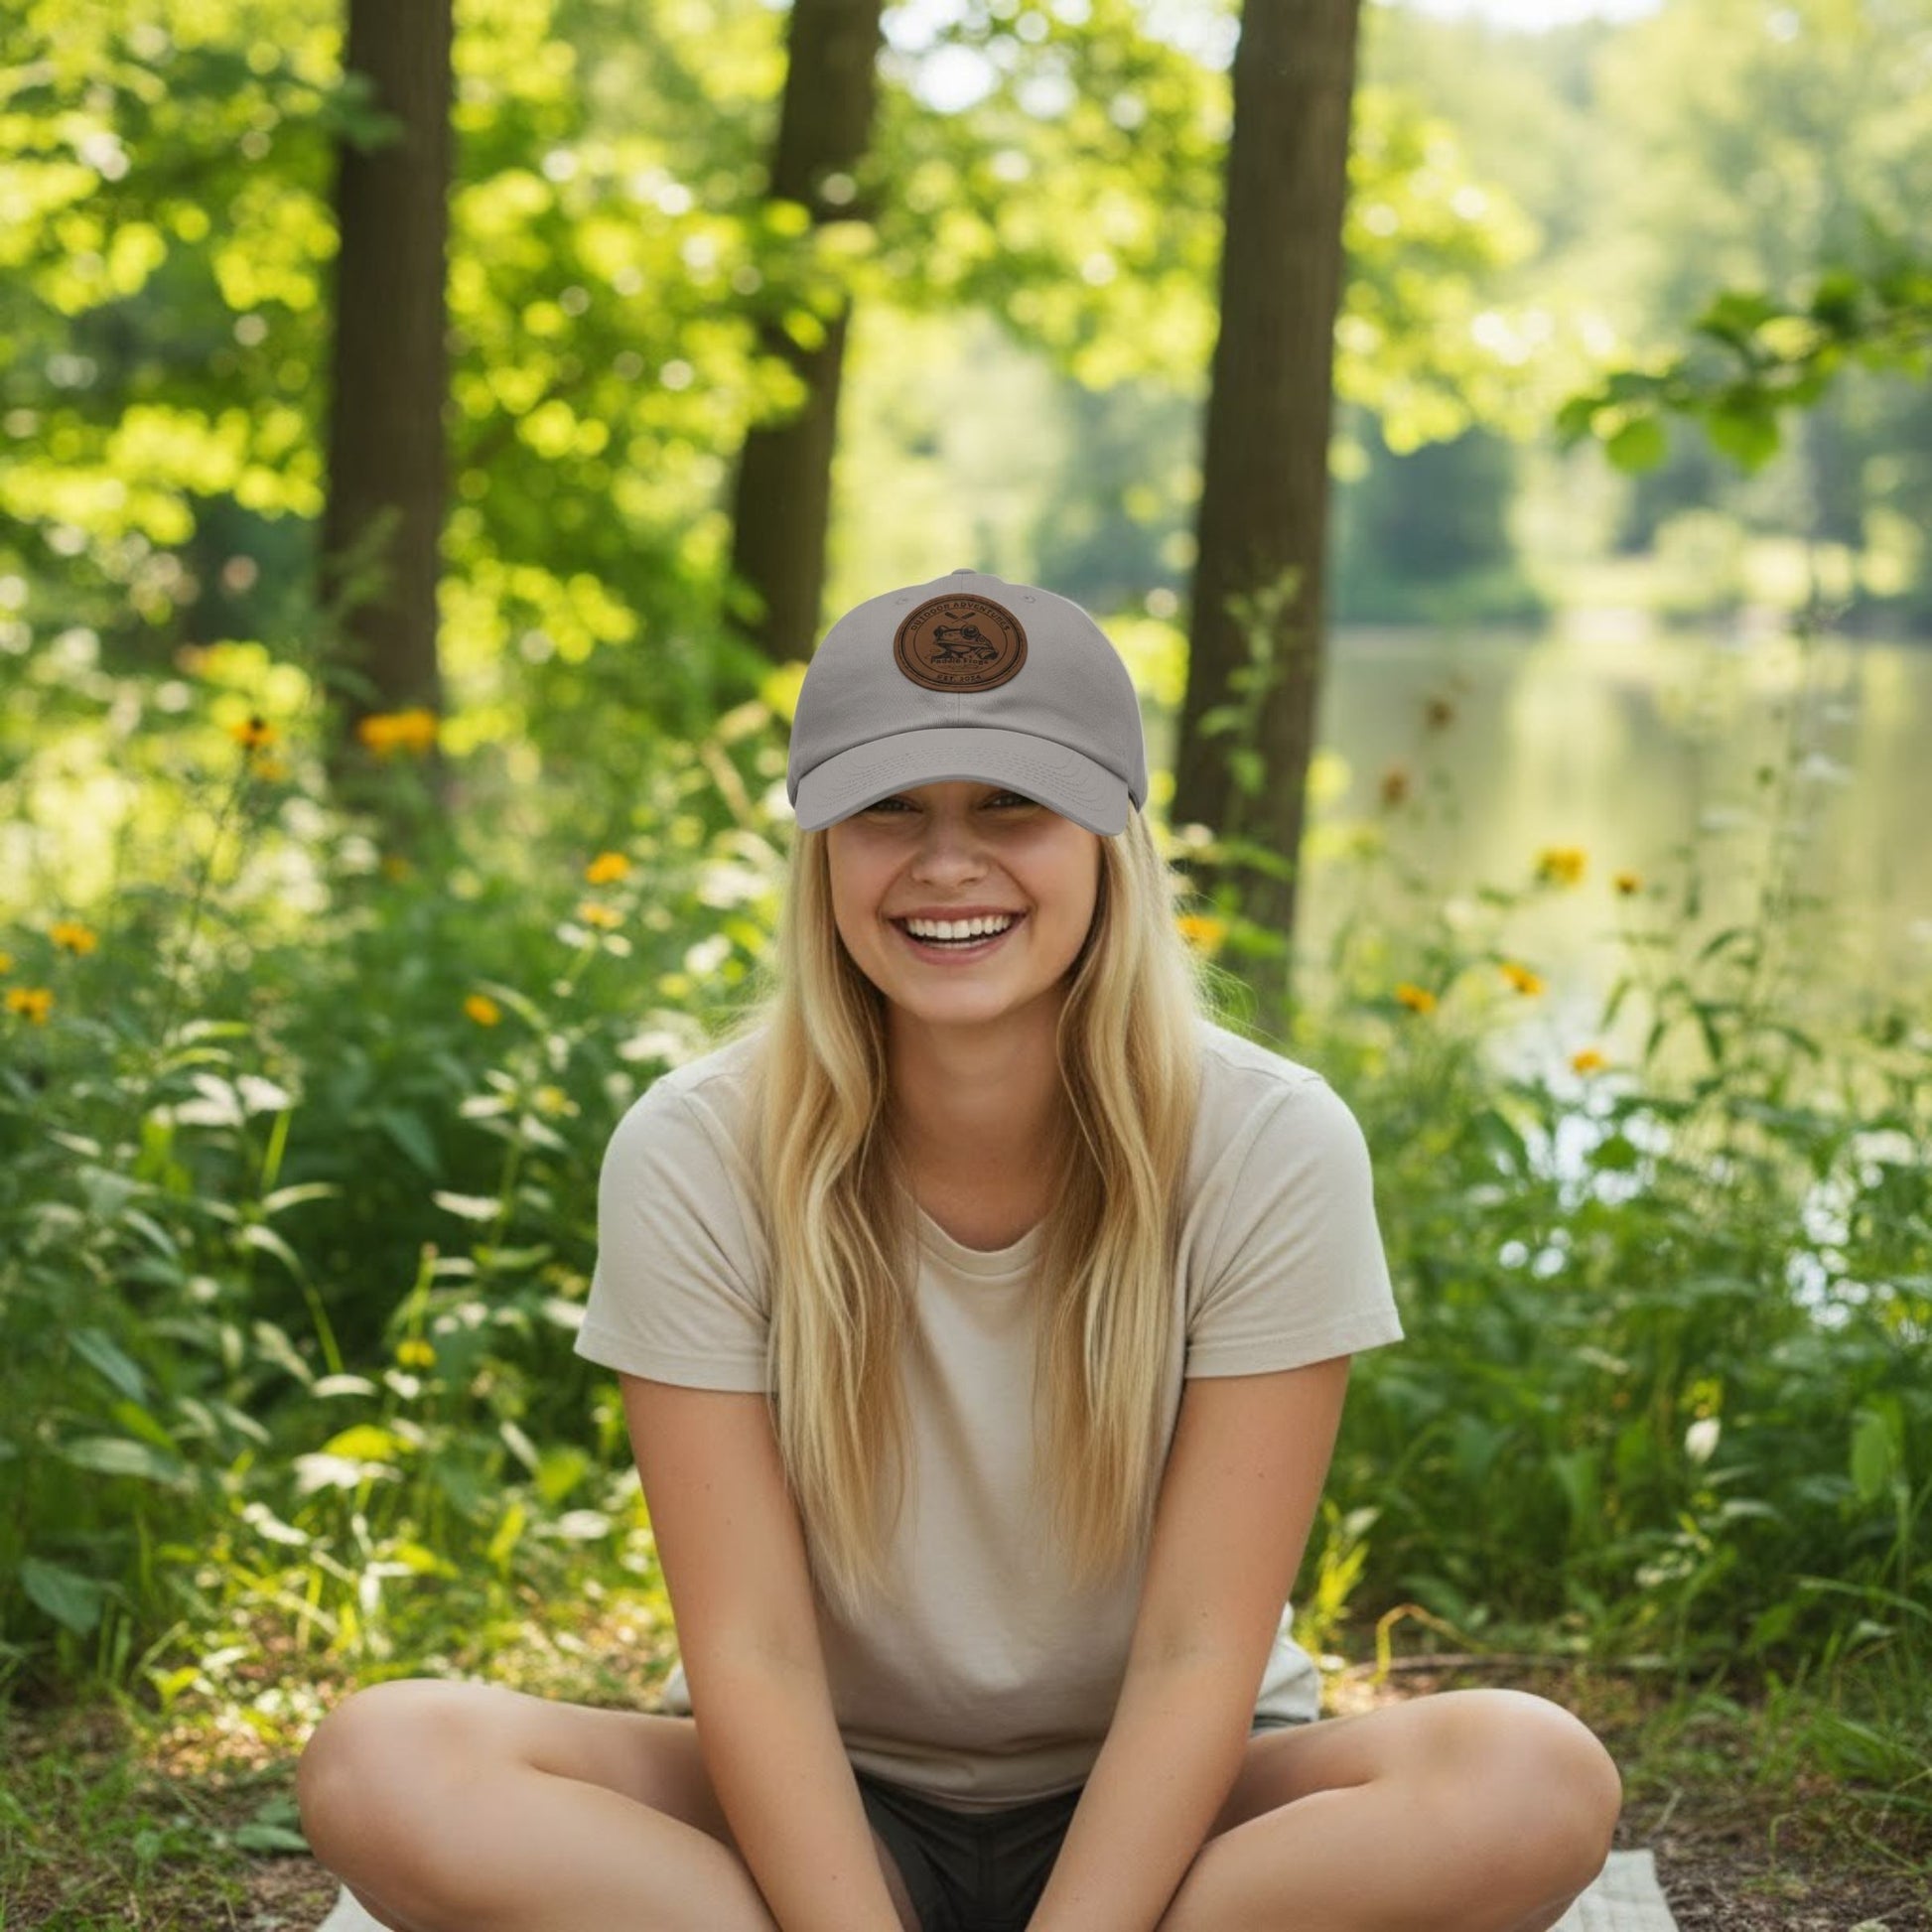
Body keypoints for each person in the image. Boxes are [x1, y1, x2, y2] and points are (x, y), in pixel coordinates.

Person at [296, 569, 1623, 1932]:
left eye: (1009, 804)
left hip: (1183, 1808)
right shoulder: (696, 1147)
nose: (944, 863)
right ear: (819, 848)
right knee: (388, 1762)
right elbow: (748, 1652)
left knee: (1530, 1776)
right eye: (887, 810)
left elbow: (1194, 1652)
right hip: (817, 1803)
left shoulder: (1268, 1141)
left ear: (1110, 833)